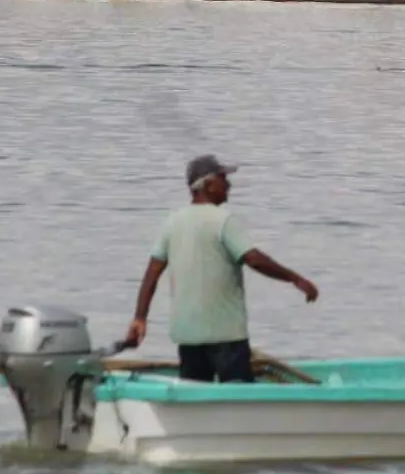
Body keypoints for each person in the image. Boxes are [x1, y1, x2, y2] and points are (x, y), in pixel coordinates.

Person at [121, 154, 319, 383]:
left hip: (188, 336)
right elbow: (253, 259)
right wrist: (295, 279)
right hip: (226, 338)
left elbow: (152, 273)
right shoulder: (223, 220)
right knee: (239, 399)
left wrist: (140, 317)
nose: (229, 185)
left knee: (195, 399)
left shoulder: (172, 222)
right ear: (208, 184)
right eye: (223, 178)